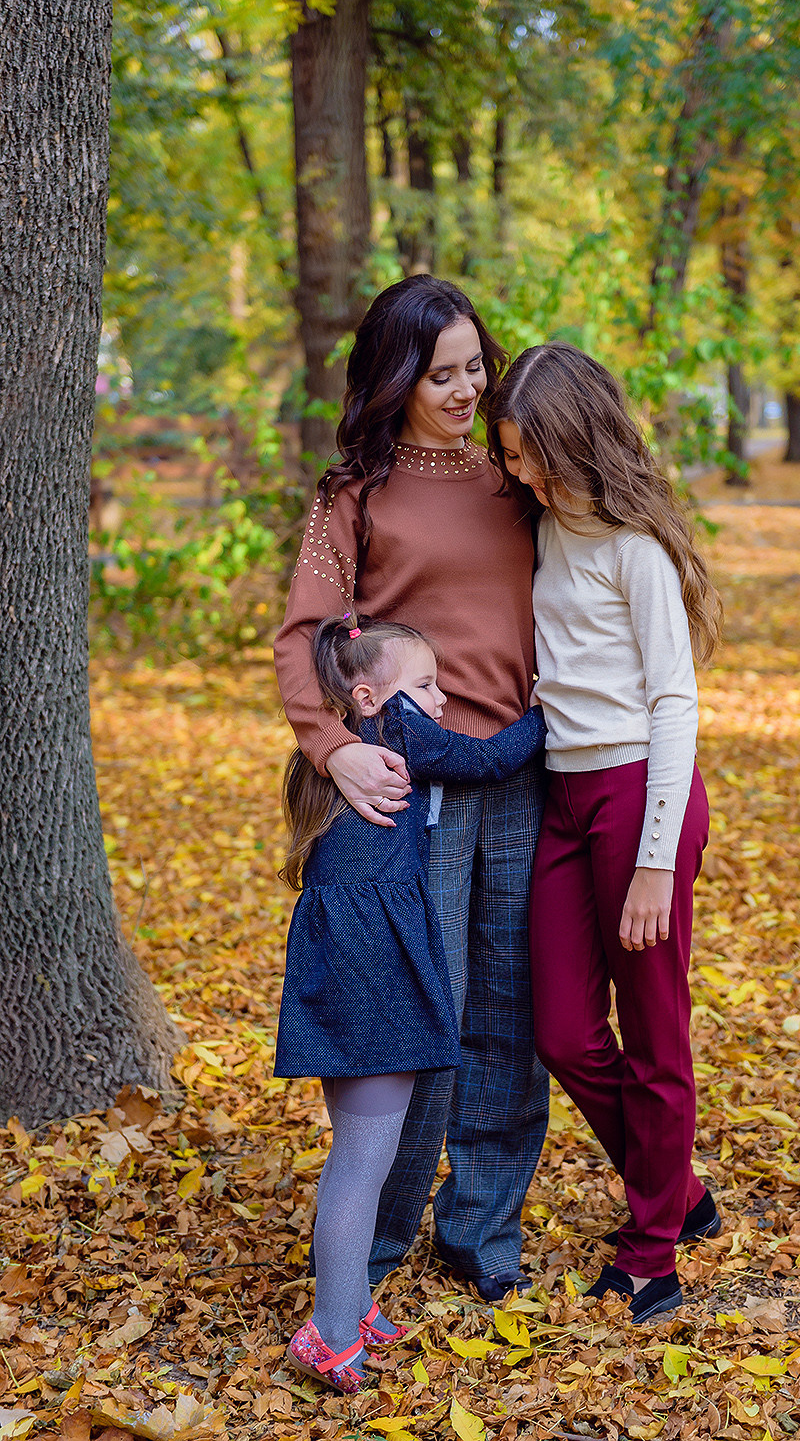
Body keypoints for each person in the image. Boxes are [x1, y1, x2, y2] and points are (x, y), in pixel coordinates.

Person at [274, 275, 549, 1302]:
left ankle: (481, 1230)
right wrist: (329, 746)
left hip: (521, 773)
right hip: (409, 785)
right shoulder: (354, 494)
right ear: (396, 380)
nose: (466, 389)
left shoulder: (516, 473)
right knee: (421, 1016)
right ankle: (375, 1248)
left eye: (476, 367)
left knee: (509, 1017)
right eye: (442, 375)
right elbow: (305, 635)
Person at [488, 342, 724, 1324]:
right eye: (509, 457)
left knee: (653, 1032)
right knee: (565, 1033)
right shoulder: (541, 529)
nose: (521, 476)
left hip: (636, 798)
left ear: (578, 440)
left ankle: (650, 1254)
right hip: (562, 796)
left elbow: (675, 703)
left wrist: (655, 862)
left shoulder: (635, 551)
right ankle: (678, 1191)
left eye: (532, 457)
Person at [277, 614, 546, 1390]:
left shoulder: (348, 755)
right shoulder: (396, 729)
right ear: (368, 697)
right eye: (426, 684)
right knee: (361, 1162)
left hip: (348, 963)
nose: (439, 700)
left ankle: (355, 1305)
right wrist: (544, 713)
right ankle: (328, 1332)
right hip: (374, 978)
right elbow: (487, 759)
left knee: (363, 1149)